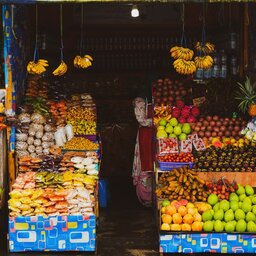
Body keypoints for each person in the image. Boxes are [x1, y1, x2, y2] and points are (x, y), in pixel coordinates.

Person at [132, 97, 153, 207]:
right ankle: (147, 198)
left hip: (152, 136)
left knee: (150, 164)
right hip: (146, 136)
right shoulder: (139, 102)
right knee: (145, 164)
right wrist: (155, 122)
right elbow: (142, 121)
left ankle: (150, 197)